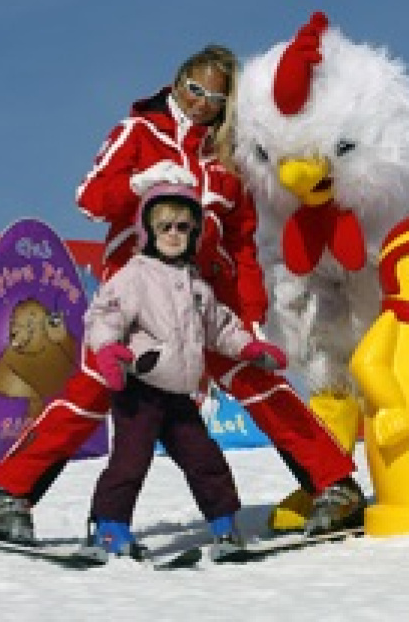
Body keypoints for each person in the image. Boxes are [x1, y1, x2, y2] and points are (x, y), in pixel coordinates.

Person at [0, 44, 364, 545]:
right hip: (137, 299)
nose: (201, 102)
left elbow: (242, 244)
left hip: (203, 302)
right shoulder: (139, 133)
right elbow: (91, 198)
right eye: (193, 89)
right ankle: (12, 498)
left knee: (263, 384)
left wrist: (248, 315)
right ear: (177, 82)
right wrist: (140, 181)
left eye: (215, 97)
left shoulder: (229, 161)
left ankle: (335, 486)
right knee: (90, 392)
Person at [83, 182, 285, 561]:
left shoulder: (196, 284)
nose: (175, 234)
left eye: (183, 227)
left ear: (194, 233)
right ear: (148, 232)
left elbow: (220, 327)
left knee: (205, 459)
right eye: (165, 227)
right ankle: (109, 530)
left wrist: (249, 347)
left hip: (177, 394)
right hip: (139, 390)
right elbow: (105, 315)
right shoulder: (135, 275)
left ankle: (225, 527)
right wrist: (108, 349)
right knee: (130, 461)